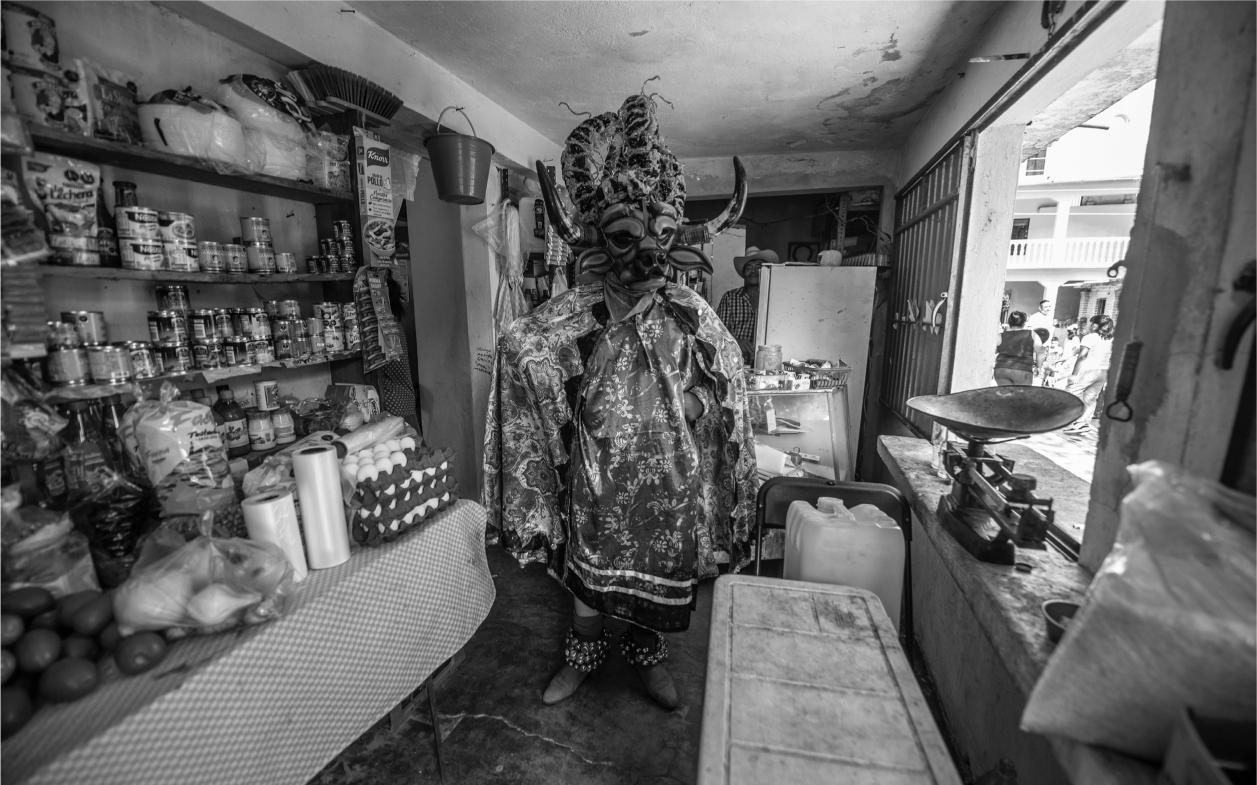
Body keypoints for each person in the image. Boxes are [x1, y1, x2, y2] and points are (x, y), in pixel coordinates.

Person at [484, 94, 759, 712]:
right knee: (589, 578)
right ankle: (581, 657)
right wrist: (558, 406)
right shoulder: (577, 313)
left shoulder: (691, 315)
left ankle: (647, 658)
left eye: (662, 235)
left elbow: (728, 387)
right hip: (596, 475)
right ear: (597, 244)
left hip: (669, 480)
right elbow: (525, 348)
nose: (648, 252)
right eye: (627, 236)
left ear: (679, 242)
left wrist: (692, 404)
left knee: (656, 579)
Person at [716, 246, 778, 364]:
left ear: (765, 271)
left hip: (769, 363)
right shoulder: (730, 297)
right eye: (749, 268)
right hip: (735, 362)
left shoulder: (774, 298)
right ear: (744, 274)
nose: (753, 271)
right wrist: (737, 341)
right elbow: (718, 331)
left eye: (758, 267)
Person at [1063, 314, 1115, 434]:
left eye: (1092, 323)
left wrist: (1074, 374)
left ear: (1096, 325)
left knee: (1072, 393)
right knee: (1090, 398)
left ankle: (1069, 420)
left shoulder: (1090, 337)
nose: (1090, 325)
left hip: (1088, 370)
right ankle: (1082, 424)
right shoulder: (1111, 339)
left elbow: (1082, 356)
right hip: (1103, 371)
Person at [993, 311, 1044, 386]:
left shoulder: (1000, 336)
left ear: (1009, 322)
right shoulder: (1032, 334)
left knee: (1006, 396)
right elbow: (1040, 352)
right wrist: (1039, 367)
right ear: (1024, 323)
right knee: (1020, 397)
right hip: (1023, 371)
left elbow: (992, 351)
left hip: (1001, 370)